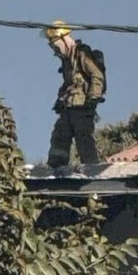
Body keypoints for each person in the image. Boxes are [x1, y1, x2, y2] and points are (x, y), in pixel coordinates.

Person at [45, 21, 105, 167]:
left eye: (56, 47)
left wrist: (93, 98)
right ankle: (56, 167)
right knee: (59, 135)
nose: (55, 52)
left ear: (64, 40)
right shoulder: (68, 62)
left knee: (83, 136)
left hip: (82, 106)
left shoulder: (82, 54)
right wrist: (60, 100)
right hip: (69, 107)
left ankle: (91, 167)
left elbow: (97, 75)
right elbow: (69, 84)